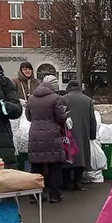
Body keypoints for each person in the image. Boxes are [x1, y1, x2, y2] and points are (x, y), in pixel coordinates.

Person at [26, 75, 69, 203]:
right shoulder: (56, 98)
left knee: (36, 166)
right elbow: (61, 118)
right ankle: (54, 195)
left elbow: (28, 116)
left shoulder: (31, 98)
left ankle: (34, 195)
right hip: (52, 135)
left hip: (35, 134)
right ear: (54, 87)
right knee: (55, 166)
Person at [61, 80, 97, 190]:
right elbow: (92, 119)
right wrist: (92, 135)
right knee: (81, 157)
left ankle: (66, 182)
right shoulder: (88, 100)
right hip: (83, 132)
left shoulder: (63, 99)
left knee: (68, 156)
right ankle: (77, 182)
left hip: (68, 134)